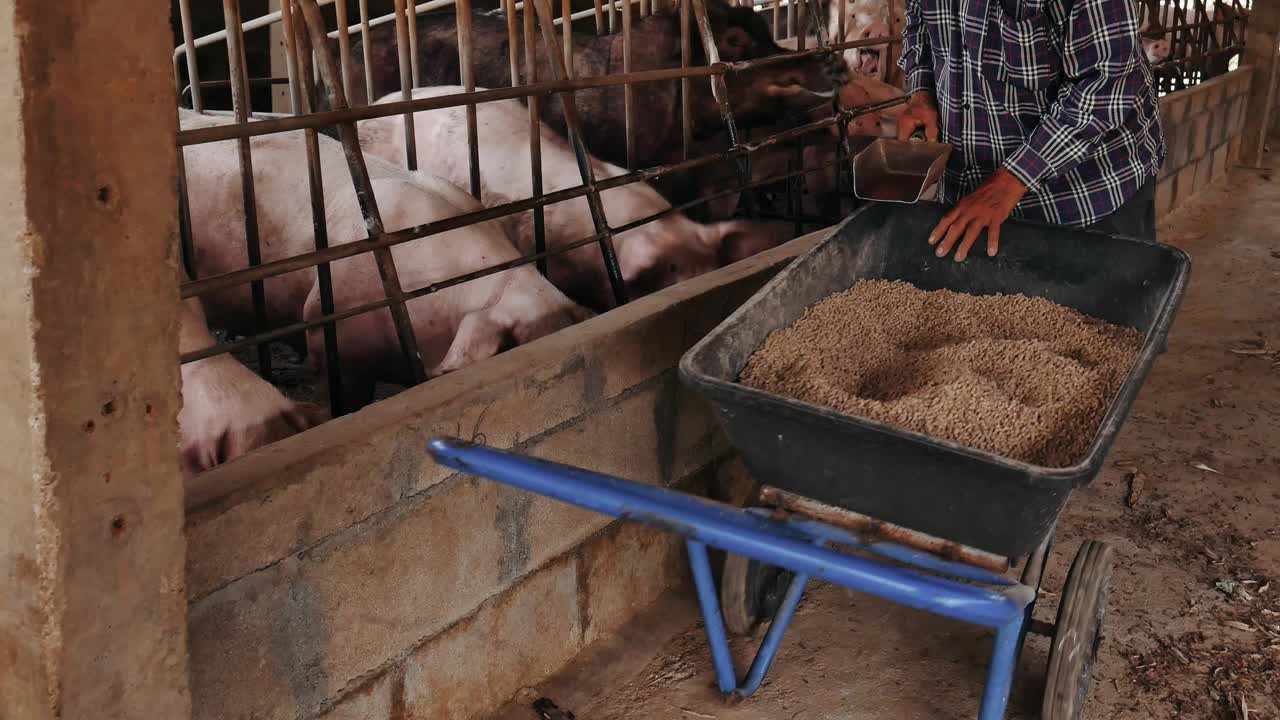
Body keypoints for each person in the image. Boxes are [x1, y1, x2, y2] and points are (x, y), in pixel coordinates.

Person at [896, 0, 1166, 262]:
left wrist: (1011, 179)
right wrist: (921, 93)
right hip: (969, 196)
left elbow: (1107, 84)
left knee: (1097, 301)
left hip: (1088, 194)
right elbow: (918, 17)